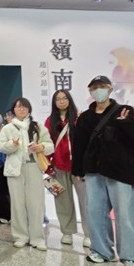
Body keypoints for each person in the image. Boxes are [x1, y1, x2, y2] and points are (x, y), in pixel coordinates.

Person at [72, 75, 134, 266]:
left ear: (110, 89)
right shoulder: (86, 116)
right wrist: (78, 170)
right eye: (94, 88)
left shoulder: (125, 111)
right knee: (95, 212)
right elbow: (79, 145)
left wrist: (126, 124)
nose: (98, 91)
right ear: (90, 91)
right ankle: (101, 250)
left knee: (125, 214)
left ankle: (132, 257)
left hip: (120, 171)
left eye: (102, 86)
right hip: (94, 171)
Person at [0, 97, 54, 251]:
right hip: (15, 169)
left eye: (24, 107)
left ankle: (37, 238)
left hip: (34, 167)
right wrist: (12, 145)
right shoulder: (8, 128)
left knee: (36, 204)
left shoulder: (37, 126)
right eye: (18, 107)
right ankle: (20, 236)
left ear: (29, 109)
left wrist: (41, 147)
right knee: (17, 204)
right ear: (13, 110)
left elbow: (50, 146)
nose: (21, 109)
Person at [45, 90, 90, 247]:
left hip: (79, 168)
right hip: (57, 167)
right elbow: (47, 143)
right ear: (54, 102)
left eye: (64, 98)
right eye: (58, 99)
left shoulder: (79, 118)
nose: (61, 101)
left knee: (86, 201)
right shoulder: (49, 121)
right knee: (62, 201)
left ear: (69, 100)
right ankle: (67, 232)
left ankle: (89, 234)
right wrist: (47, 167)